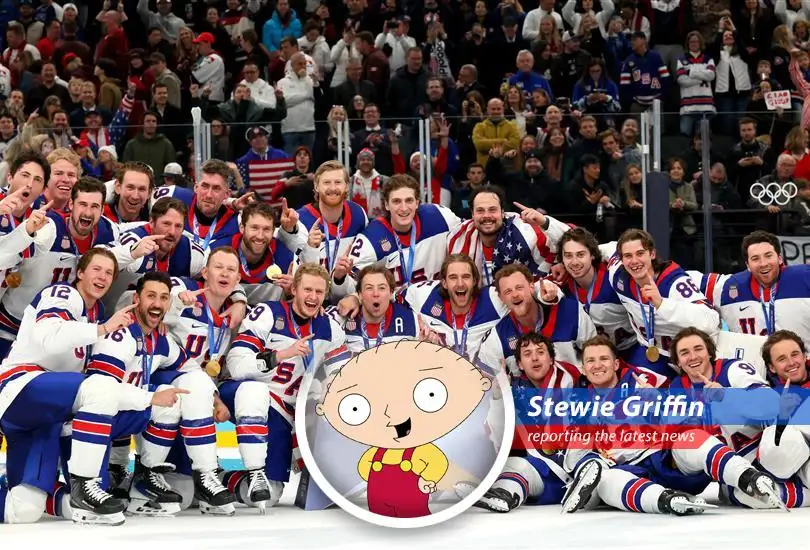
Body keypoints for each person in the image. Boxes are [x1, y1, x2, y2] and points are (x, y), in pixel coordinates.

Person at [0, 248, 185, 525]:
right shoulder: (62, 293)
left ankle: (76, 501)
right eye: (96, 269)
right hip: (20, 387)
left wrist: (150, 398)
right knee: (99, 389)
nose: (103, 276)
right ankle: (84, 487)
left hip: (47, 418)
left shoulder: (95, 313)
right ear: (81, 272)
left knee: (24, 510)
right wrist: (101, 330)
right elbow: (49, 338)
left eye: (109, 272)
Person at [564, 335, 784, 515]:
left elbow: (684, 420)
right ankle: (667, 501)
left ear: (616, 363)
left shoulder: (641, 381)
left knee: (690, 437)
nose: (597, 365)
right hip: (632, 470)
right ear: (582, 368)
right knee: (605, 480)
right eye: (591, 361)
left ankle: (748, 477)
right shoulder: (578, 404)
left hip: (667, 458)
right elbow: (575, 458)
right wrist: (593, 459)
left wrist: (658, 402)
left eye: (603, 358)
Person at [221, 264, 351, 510]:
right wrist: (280, 355)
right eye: (307, 289)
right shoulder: (268, 313)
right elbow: (236, 365)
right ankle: (254, 472)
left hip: (286, 414)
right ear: (294, 289)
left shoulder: (330, 327)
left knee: (270, 495)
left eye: (319, 292)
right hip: (253, 395)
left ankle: (219, 480)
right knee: (254, 391)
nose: (313, 297)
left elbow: (342, 376)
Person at [0, 177, 159, 360]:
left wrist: (133, 251)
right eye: (83, 204)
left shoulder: (108, 231)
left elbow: (110, 254)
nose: (88, 212)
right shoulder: (50, 228)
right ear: (71, 204)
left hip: (61, 328)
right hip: (14, 324)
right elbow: (5, 253)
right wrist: (27, 231)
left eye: (94, 206)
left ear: (101, 209)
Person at [84, 271, 188, 517]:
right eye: (151, 296)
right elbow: (101, 392)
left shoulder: (158, 338)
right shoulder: (121, 334)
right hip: (86, 423)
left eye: (164, 298)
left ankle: (146, 477)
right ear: (137, 299)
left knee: (171, 397)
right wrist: (150, 398)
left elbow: (188, 364)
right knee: (87, 495)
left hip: (115, 420)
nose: (157, 304)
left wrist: (214, 397)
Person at [155, 247, 248, 515]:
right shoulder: (183, 290)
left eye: (231, 270)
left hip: (198, 395)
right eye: (218, 267)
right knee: (197, 383)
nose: (224, 274)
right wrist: (174, 305)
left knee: (183, 498)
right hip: (166, 379)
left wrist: (240, 301)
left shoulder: (234, 317)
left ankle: (213, 474)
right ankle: (204, 473)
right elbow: (151, 306)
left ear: (238, 280)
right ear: (205, 272)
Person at [469, 332, 582, 513]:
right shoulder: (516, 391)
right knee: (515, 465)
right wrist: (499, 396)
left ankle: (497, 491)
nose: (535, 358)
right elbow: (498, 436)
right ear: (520, 364)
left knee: (518, 465)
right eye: (527, 354)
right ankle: (504, 496)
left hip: (571, 471)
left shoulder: (569, 378)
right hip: (541, 474)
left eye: (540, 352)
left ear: (552, 359)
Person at [606, 228, 719, 376]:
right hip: (651, 352)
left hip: (688, 356)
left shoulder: (675, 283)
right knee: (636, 391)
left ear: (652, 254)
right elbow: (606, 249)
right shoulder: (617, 275)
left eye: (640, 253)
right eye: (628, 256)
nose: (634, 261)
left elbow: (711, 320)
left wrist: (662, 304)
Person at [694, 231, 810, 347]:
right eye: (755, 259)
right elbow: (683, 280)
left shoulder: (805, 278)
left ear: (779, 258)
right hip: (752, 365)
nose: (763, 263)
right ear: (748, 265)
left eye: (768, 255)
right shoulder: (727, 287)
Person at [477, 263, 596, 376]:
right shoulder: (496, 338)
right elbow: (487, 385)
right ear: (501, 298)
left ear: (531, 287)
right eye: (508, 291)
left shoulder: (571, 311)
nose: (514, 295)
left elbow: (596, 354)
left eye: (519, 288)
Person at [346, 174, 461, 291]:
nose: (404, 208)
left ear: (417, 202)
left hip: (436, 301)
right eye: (396, 201)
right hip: (394, 306)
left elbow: (467, 233)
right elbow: (349, 283)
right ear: (386, 204)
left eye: (409, 200)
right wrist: (354, 297)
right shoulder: (371, 238)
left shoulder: (439, 217)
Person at [397, 254, 509, 360]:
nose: (460, 283)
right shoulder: (425, 295)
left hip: (482, 377)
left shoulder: (494, 299)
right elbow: (391, 299)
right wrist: (415, 334)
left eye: (466, 277)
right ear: (444, 283)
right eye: (453, 277)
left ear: (474, 281)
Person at [446, 187, 563, 287]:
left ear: (502, 212)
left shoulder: (525, 231)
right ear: (472, 214)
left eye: (492, 210)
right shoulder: (458, 237)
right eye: (480, 211)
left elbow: (571, 237)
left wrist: (544, 221)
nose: (487, 216)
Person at [109, 198, 207, 311]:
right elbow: (100, 260)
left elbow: (218, 270)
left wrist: (233, 300)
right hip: (114, 313)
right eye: (166, 224)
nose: (172, 232)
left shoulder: (191, 252)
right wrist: (131, 254)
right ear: (151, 222)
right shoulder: (133, 241)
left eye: (178, 226)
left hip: (158, 318)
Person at [297, 161, 368, 301]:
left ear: (347, 186)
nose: (333, 188)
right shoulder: (300, 220)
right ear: (316, 186)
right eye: (327, 183)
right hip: (310, 300)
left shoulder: (358, 214)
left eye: (338, 182)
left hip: (348, 297)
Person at [330, 265, 419, 353]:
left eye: (382, 288)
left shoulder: (411, 320)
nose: (376, 293)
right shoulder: (341, 318)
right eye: (369, 288)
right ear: (359, 294)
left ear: (391, 293)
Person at [227, 201, 297, 306]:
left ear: (273, 231)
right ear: (242, 227)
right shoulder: (221, 250)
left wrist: (290, 294)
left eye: (266, 229)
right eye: (254, 228)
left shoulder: (283, 255)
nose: (260, 236)